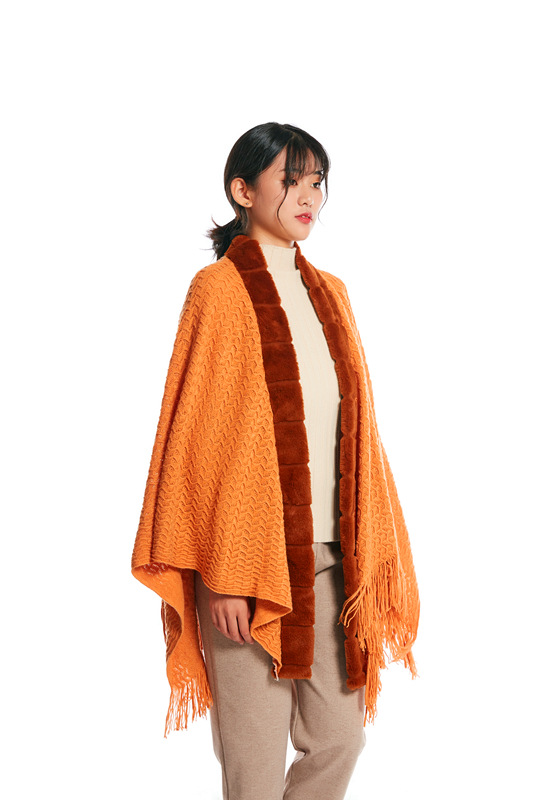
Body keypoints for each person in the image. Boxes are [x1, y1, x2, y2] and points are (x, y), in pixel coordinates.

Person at [131, 122, 420, 800]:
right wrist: (223, 575)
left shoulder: (333, 294)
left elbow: (359, 431)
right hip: (247, 561)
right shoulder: (217, 290)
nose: (308, 195)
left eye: (316, 180)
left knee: (340, 738)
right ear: (243, 191)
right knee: (254, 765)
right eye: (289, 180)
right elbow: (198, 438)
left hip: (334, 557)